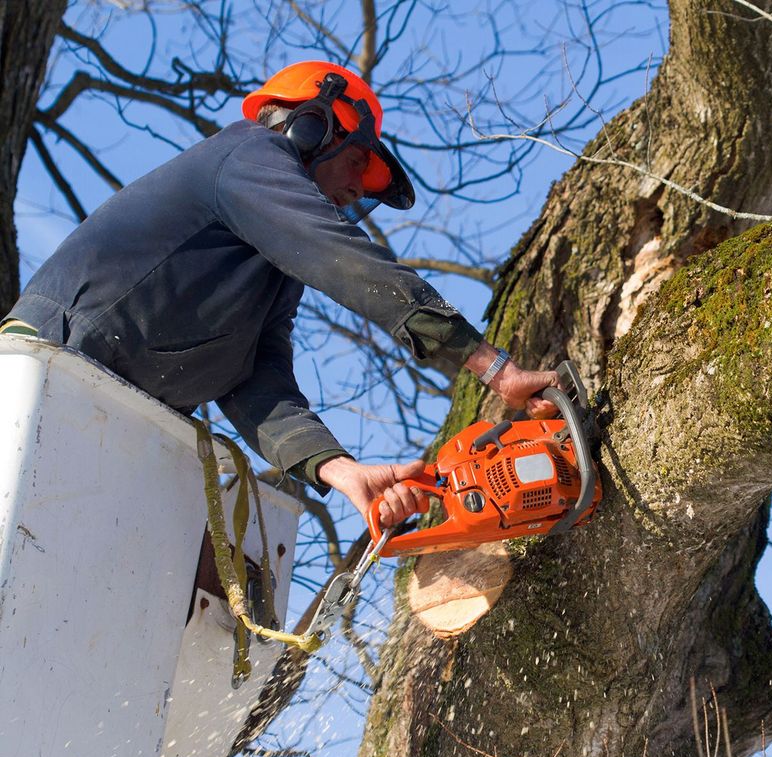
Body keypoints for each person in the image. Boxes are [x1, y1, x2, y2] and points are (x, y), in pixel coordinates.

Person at [1, 61, 558, 526]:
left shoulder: (273, 264)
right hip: (50, 368)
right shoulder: (246, 155)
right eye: (357, 164)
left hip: (116, 420)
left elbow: (255, 379)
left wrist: (342, 471)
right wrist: (495, 369)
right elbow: (342, 257)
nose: (350, 192)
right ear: (310, 128)